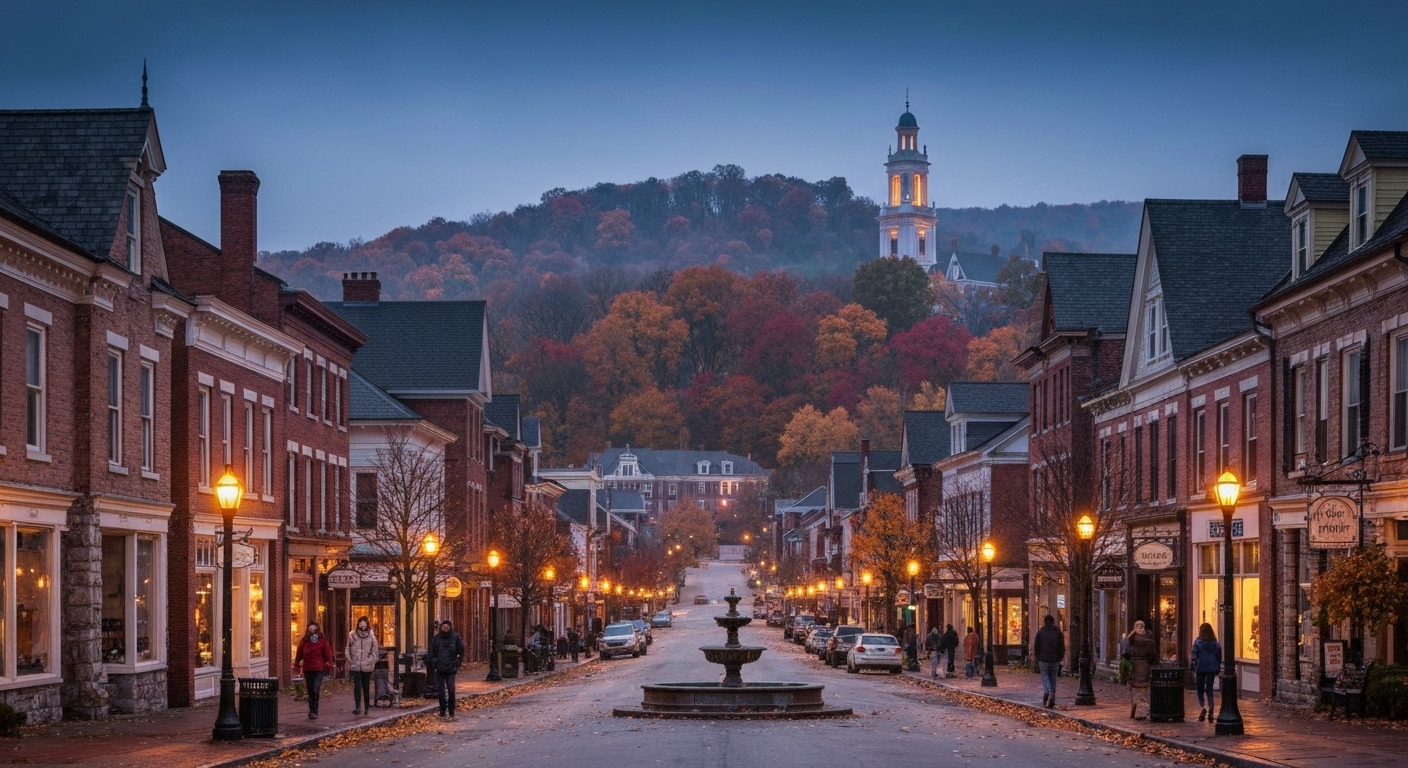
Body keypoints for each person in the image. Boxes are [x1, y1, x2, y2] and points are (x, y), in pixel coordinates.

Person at [293, 622, 333, 719]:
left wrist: (328, 662)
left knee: (315, 690)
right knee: (310, 690)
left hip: (318, 669)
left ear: (317, 628)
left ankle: (315, 710)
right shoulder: (305, 640)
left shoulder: (322, 639)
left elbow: (328, 652)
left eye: (313, 626)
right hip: (308, 669)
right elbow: (299, 653)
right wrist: (297, 663)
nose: (311, 628)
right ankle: (312, 711)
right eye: (310, 627)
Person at [428, 620, 465, 719]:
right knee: (441, 691)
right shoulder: (436, 639)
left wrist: (457, 663)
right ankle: (442, 711)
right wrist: (435, 662)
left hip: (451, 668)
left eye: (447, 627)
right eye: (443, 627)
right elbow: (432, 652)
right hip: (440, 668)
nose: (445, 629)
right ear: (441, 628)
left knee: (451, 690)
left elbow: (461, 651)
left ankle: (451, 711)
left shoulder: (456, 638)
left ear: (450, 628)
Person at [345, 617, 380, 716]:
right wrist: (350, 660)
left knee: (366, 686)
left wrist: (369, 661)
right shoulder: (352, 635)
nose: (362, 627)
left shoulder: (371, 636)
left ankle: (367, 706)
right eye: (361, 624)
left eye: (364, 625)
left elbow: (375, 652)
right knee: (357, 686)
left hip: (366, 666)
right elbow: (348, 648)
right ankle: (358, 707)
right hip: (355, 664)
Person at [1126, 620, 1158, 720]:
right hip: (1145, 666)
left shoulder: (1132, 638)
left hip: (1136, 666)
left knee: (1136, 689)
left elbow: (1126, 652)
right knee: (1145, 689)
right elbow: (1153, 655)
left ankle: (1137, 710)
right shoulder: (1150, 639)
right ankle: (1145, 710)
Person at [1192, 623, 1222, 722]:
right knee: (1209, 689)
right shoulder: (1215, 644)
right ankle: (1211, 708)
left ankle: (1203, 707)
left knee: (1200, 689)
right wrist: (1217, 667)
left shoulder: (1197, 643)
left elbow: (1194, 656)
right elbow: (1219, 657)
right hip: (1211, 669)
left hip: (1200, 668)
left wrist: (1194, 666)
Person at [1034, 615, 1066, 708]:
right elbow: (1062, 646)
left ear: (1045, 621)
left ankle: (1048, 691)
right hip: (1055, 659)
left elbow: (1037, 646)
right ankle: (1052, 696)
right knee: (1053, 678)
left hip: (1043, 659)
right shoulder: (1058, 632)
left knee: (1045, 675)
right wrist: (1060, 657)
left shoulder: (1041, 632)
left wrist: (1038, 657)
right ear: (1053, 621)